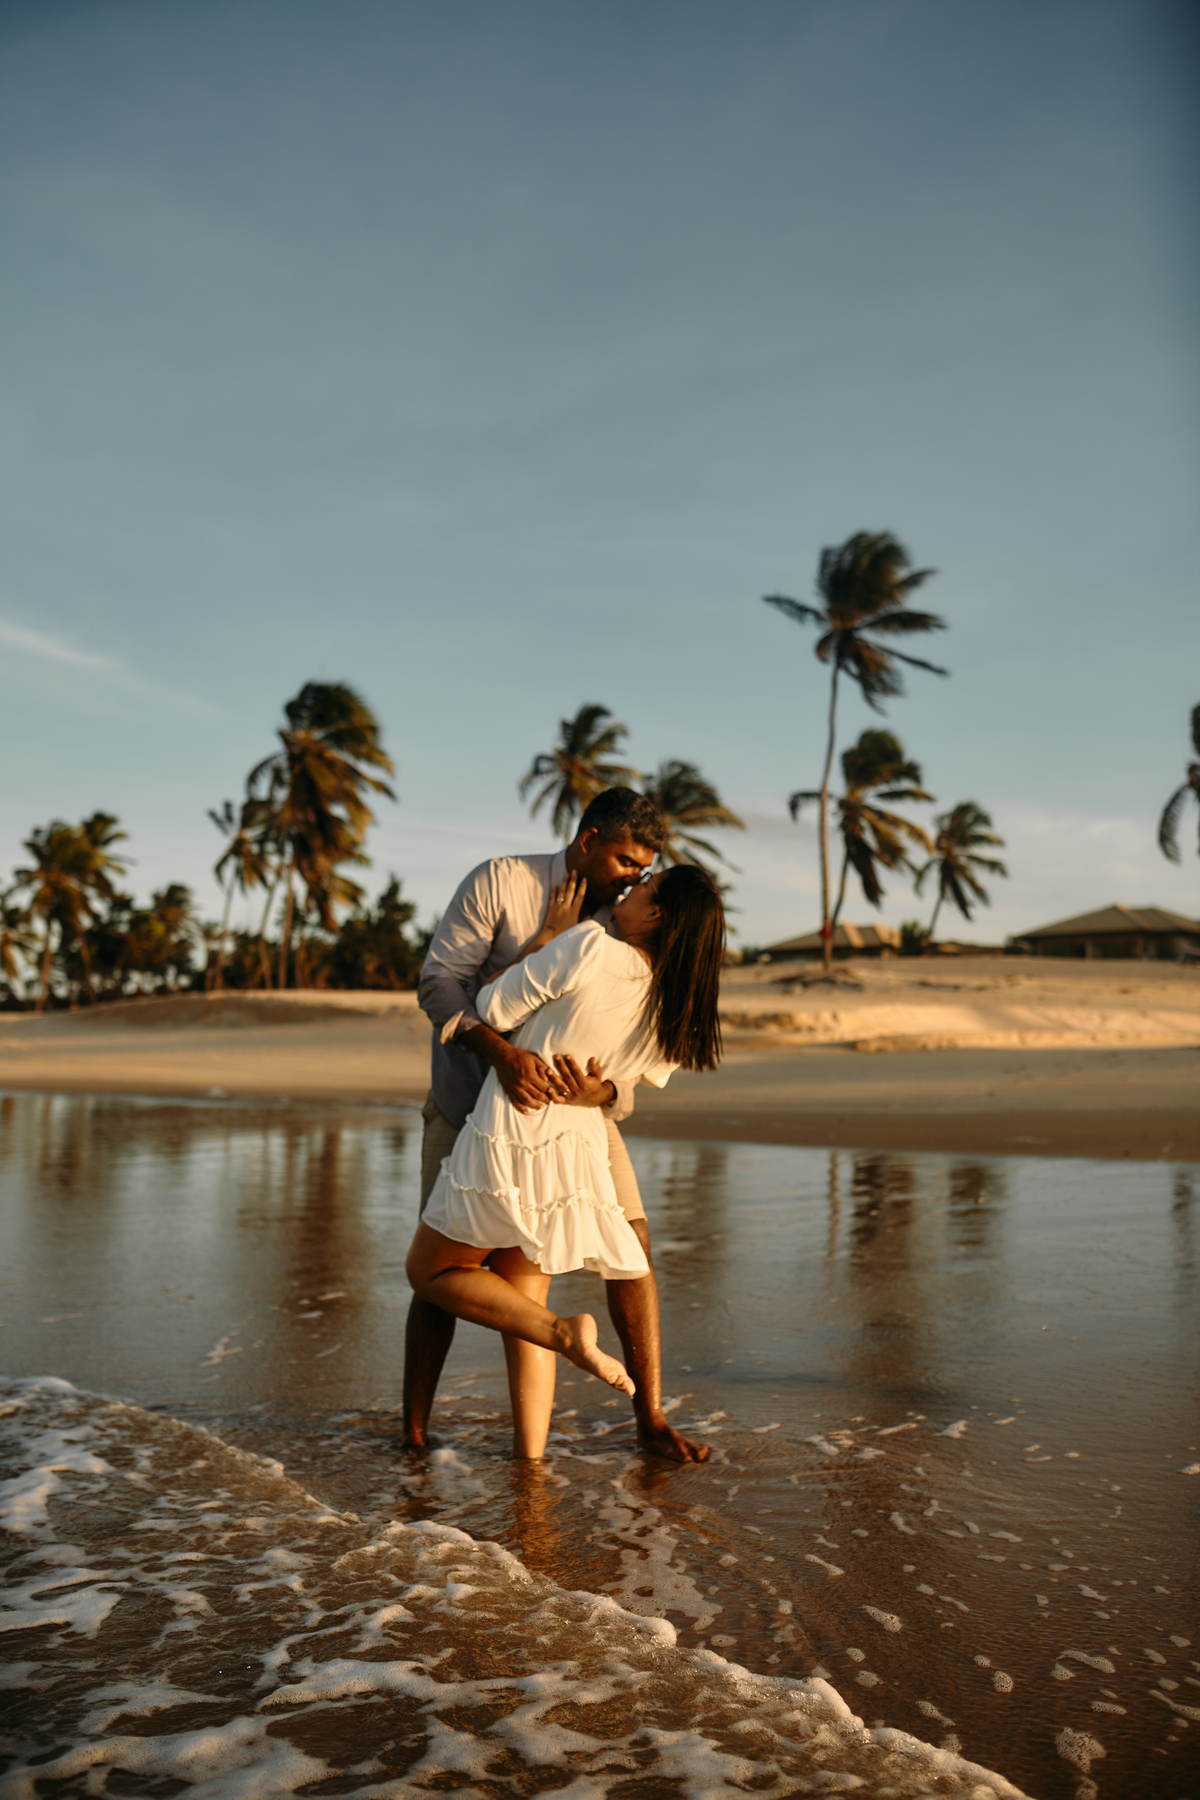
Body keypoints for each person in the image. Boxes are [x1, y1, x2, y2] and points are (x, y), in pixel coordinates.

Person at [406, 787, 710, 1462]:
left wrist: (595, 1089)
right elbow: (439, 985)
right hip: (468, 1100)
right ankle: (418, 1435)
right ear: (588, 840)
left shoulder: (615, 934)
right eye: (627, 860)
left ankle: (639, 1418)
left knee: (621, 1244)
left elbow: (623, 1071)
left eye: (646, 869)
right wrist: (504, 1053)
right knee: (455, 1275)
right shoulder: (504, 882)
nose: (634, 875)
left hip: (571, 1117)